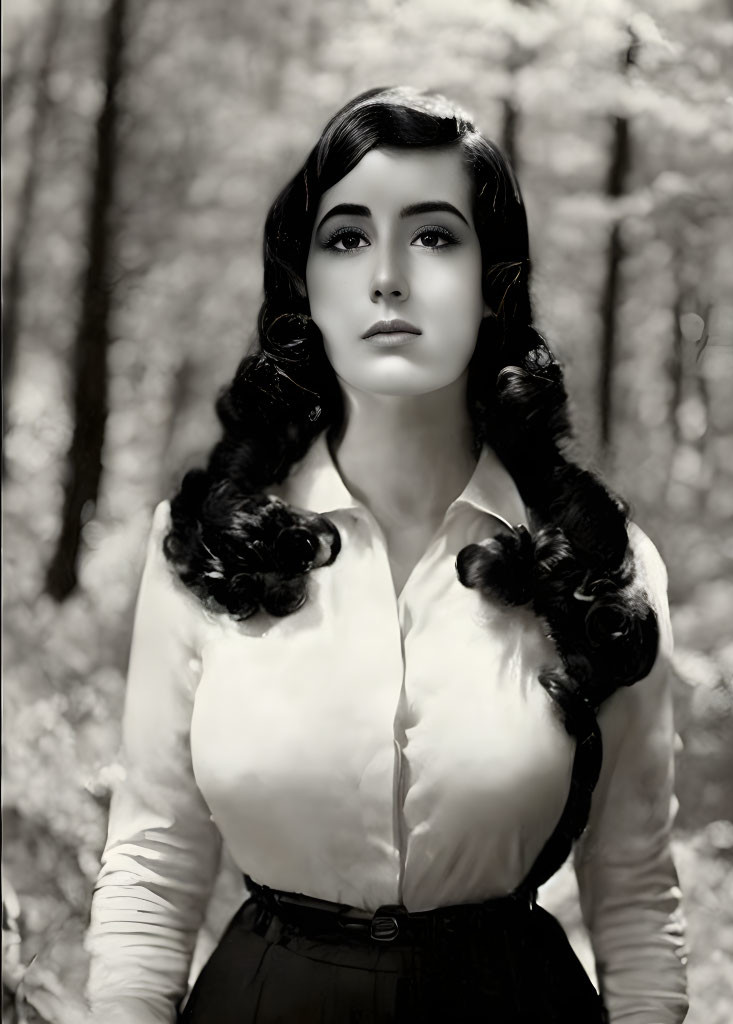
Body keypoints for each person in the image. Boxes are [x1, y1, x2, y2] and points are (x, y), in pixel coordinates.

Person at [84, 85, 688, 1024]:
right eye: (348, 237)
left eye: (436, 236)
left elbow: (638, 890)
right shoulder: (205, 548)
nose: (388, 276)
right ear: (307, 285)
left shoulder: (599, 564)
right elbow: (153, 862)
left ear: (496, 283)